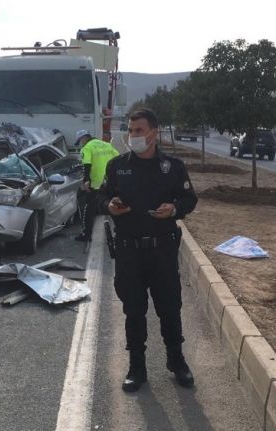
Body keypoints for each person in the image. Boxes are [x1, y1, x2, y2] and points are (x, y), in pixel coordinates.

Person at [98, 108, 198, 392]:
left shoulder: (173, 167)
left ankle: (176, 361)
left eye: (139, 131)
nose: (133, 136)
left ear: (154, 133)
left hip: (162, 251)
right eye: (130, 130)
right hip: (129, 251)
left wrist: (174, 209)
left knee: (169, 307)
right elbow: (100, 197)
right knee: (134, 309)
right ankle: (137, 367)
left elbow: (190, 199)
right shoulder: (117, 166)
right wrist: (109, 206)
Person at [74, 130, 119, 242]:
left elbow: (87, 166)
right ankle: (120, 234)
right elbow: (118, 159)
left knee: (89, 209)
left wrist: (86, 181)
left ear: (84, 138)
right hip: (111, 182)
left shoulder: (87, 148)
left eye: (80, 141)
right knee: (115, 208)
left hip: (96, 184)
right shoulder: (106, 145)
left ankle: (86, 234)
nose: (81, 144)